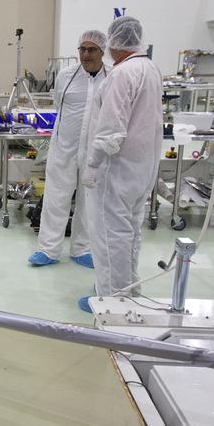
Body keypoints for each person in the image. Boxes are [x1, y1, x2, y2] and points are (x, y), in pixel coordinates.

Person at [78, 16, 163, 312]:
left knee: (109, 237)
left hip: (114, 172)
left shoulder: (121, 74)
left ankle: (112, 303)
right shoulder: (149, 68)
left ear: (112, 43)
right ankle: (129, 292)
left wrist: (91, 167)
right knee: (129, 233)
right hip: (140, 170)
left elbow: (111, 130)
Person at [28, 29, 109, 268]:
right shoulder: (66, 75)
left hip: (95, 151)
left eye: (91, 49)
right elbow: (58, 106)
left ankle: (82, 248)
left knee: (89, 201)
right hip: (64, 146)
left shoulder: (112, 77)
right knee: (56, 197)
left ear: (102, 51)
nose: (85, 54)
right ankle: (48, 249)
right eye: (82, 49)